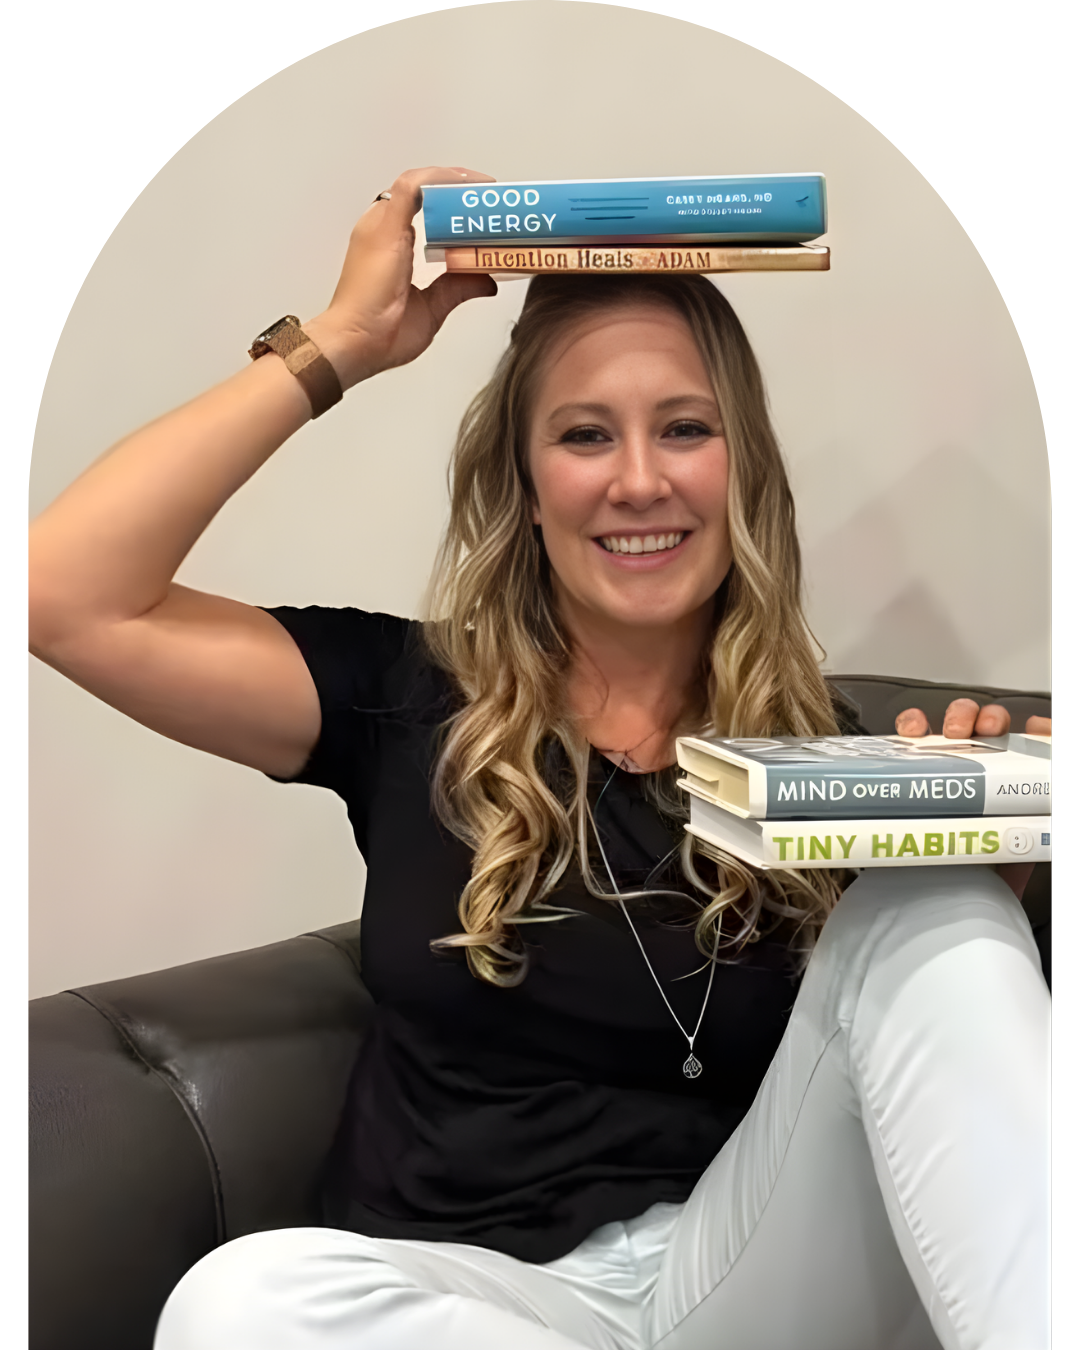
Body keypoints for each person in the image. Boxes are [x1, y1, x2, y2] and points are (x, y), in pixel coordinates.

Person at [28, 167, 1050, 1350]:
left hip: (745, 1277)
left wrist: (979, 867)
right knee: (241, 1302)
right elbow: (63, 595)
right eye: (582, 435)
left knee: (938, 905)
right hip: (470, 1307)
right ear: (523, 481)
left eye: (685, 428)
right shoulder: (407, 698)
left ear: (743, 467)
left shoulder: (826, 761)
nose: (639, 480)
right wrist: (343, 343)